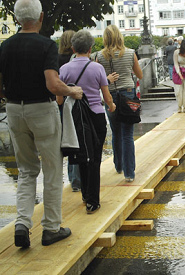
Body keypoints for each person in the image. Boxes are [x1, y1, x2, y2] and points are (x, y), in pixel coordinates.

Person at [0, 0, 83, 248]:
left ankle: (22, 225)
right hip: (42, 110)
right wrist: (72, 91)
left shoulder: (4, 46)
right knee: (52, 169)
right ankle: (50, 228)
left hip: (14, 109)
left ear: (15, 18)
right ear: (41, 16)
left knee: (25, 170)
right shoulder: (46, 45)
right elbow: (52, 83)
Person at [58, 30, 116, 214]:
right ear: (91, 48)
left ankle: (84, 194)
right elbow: (106, 97)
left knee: (81, 155)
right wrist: (112, 106)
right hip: (96, 116)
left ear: (73, 48)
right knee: (95, 158)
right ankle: (93, 201)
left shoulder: (64, 69)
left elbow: (59, 100)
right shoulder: (97, 68)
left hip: (75, 118)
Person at [96, 24, 143, 183]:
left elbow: (98, 78)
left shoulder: (100, 56)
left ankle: (118, 165)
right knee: (127, 134)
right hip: (128, 94)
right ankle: (129, 173)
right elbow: (140, 75)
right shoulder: (130, 53)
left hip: (110, 96)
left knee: (116, 132)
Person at [57, 30, 82, 193]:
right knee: (77, 139)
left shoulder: (56, 59)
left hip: (60, 104)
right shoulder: (76, 60)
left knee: (65, 140)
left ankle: (71, 178)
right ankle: (77, 180)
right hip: (75, 102)